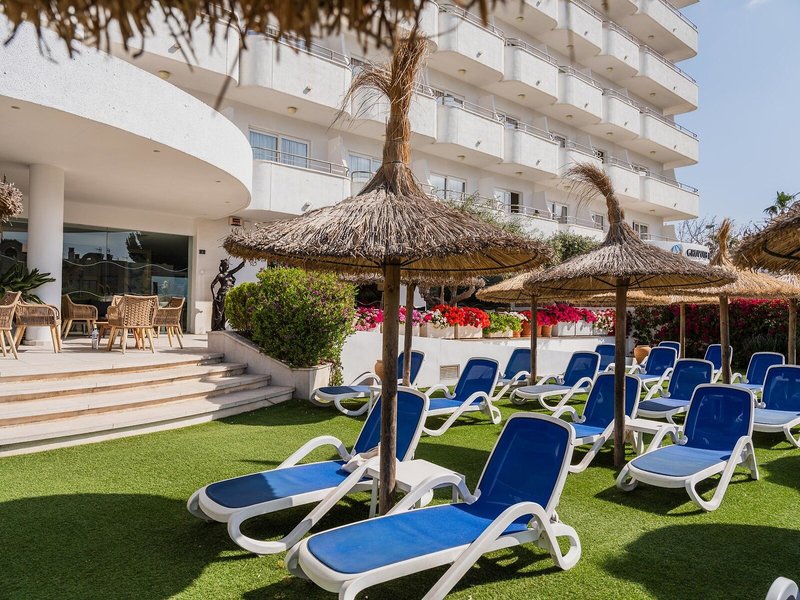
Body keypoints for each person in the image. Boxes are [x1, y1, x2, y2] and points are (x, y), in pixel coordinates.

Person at [210, 258, 244, 331]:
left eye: (227, 265)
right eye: (225, 265)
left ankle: (222, 326)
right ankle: (218, 326)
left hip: (229, 294)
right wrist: (214, 295)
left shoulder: (230, 273)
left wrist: (244, 261)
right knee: (220, 312)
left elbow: (238, 268)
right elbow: (212, 285)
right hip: (222, 294)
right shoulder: (220, 275)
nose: (227, 266)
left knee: (227, 311)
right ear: (222, 266)